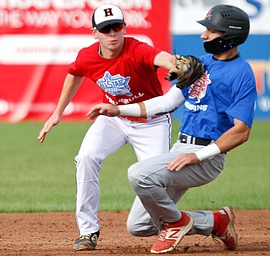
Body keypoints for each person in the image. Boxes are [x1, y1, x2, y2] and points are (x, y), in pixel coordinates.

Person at [87, 4, 256, 254]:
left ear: (230, 34)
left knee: (138, 174)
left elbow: (241, 132)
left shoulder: (242, 74)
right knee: (139, 225)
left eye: (211, 30)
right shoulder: (201, 64)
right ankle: (216, 221)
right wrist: (119, 110)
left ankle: (176, 223)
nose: (204, 35)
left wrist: (197, 156)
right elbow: (167, 102)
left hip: (207, 157)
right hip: (181, 149)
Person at [37, 3, 182, 251]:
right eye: (105, 29)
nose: (112, 33)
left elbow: (162, 58)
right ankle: (88, 231)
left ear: (124, 28)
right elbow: (74, 73)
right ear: (95, 33)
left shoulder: (137, 49)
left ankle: (168, 226)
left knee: (156, 178)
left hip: (151, 122)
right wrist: (57, 113)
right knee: (86, 158)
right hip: (113, 118)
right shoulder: (88, 56)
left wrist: (176, 64)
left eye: (116, 27)